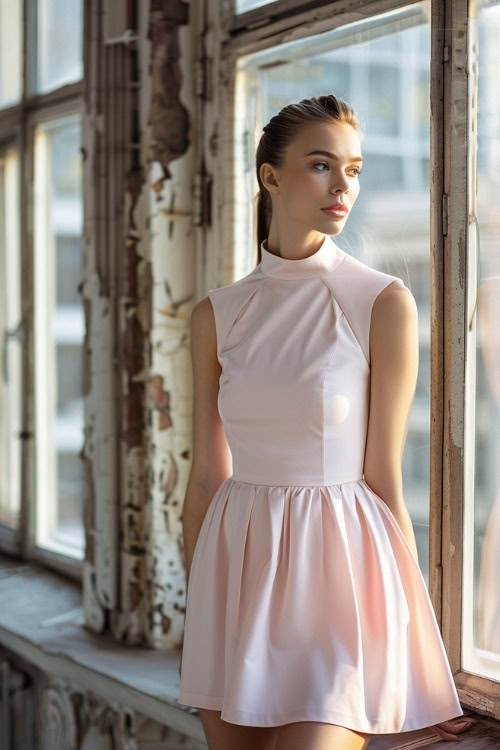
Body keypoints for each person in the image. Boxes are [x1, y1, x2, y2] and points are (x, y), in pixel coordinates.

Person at [177, 95, 476, 750]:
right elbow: (204, 480)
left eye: (355, 168)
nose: (344, 186)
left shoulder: (381, 302)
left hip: (341, 584)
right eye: (322, 165)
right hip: (236, 584)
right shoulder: (216, 315)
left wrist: (417, 650)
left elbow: (384, 480)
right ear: (271, 176)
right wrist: (200, 611)